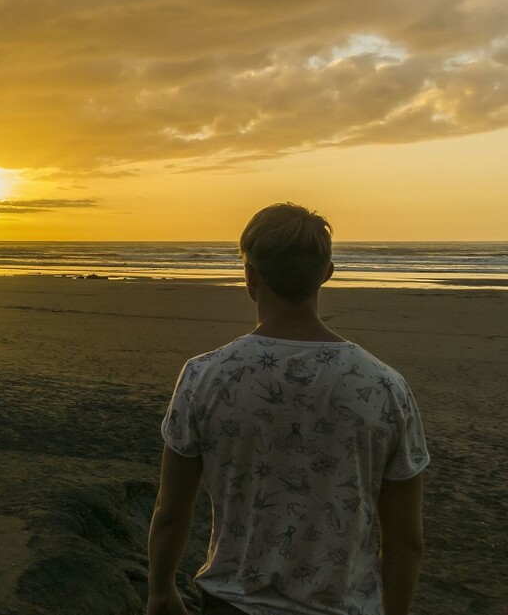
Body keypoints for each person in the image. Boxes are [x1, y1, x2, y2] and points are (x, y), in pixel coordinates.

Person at [147, 203, 429, 615]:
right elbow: (406, 539)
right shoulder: (385, 386)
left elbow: (171, 510)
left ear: (250, 275)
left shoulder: (204, 377)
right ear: (326, 273)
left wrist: (160, 589)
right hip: (343, 606)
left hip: (232, 603)